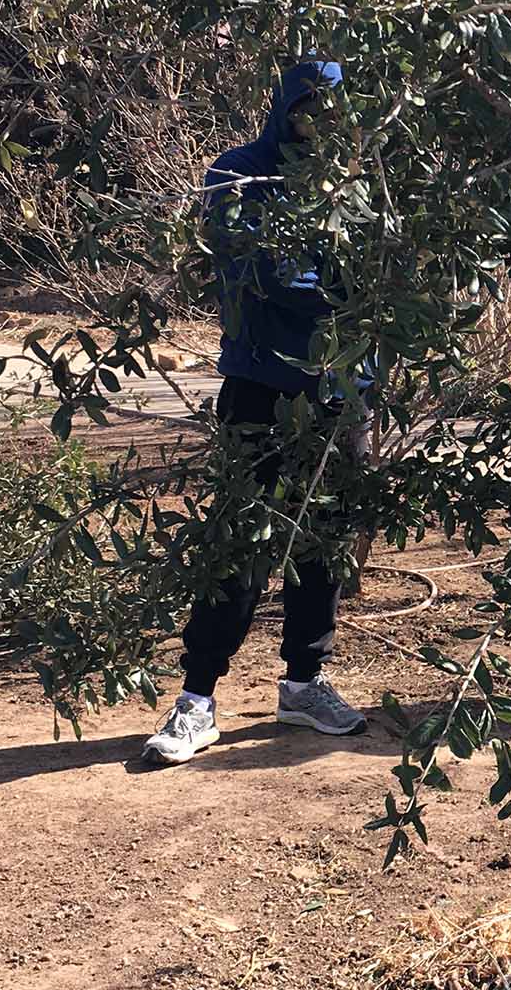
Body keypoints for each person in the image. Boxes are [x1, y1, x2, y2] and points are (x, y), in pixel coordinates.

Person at [143, 59, 371, 766]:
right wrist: (344, 289)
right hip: (260, 387)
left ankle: (304, 683)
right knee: (239, 538)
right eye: (307, 106)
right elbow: (261, 273)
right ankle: (197, 697)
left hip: (338, 394)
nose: (317, 122)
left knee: (323, 543)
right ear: (284, 106)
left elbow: (389, 275)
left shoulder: (356, 189)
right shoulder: (237, 174)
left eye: (330, 110)